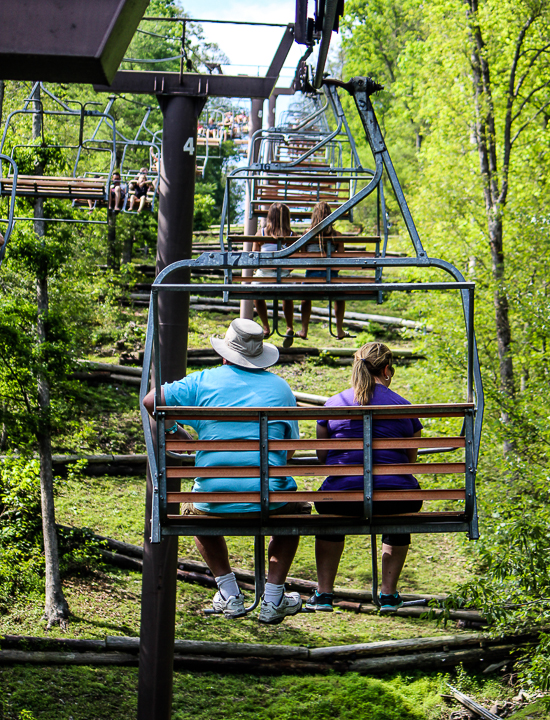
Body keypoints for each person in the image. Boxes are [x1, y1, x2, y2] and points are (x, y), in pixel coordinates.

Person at [142, 319, 309, 624]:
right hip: (269, 500)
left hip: (214, 500)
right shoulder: (281, 388)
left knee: (194, 510)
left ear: (225, 355)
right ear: (260, 357)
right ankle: (273, 598)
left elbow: (151, 400)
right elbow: (289, 448)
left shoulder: (203, 381)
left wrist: (175, 429)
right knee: (295, 507)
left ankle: (229, 593)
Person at [307, 342, 423, 612]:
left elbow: (322, 457)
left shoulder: (333, 405)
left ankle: (324, 594)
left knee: (330, 516)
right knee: (399, 511)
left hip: (342, 498)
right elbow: (411, 459)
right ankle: (389, 595)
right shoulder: (403, 406)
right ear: (386, 369)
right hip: (395, 500)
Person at [298, 202, 348, 340]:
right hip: (331, 278)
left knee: (305, 297)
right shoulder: (336, 235)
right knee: (340, 297)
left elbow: (303, 258)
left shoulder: (307, 234)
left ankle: (304, 329)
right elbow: (341, 261)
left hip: (311, 278)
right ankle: (339, 329)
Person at [252, 203, 295, 348]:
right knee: (287, 296)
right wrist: (287, 269)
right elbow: (296, 258)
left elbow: (254, 255)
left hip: (264, 273)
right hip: (282, 274)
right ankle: (289, 326)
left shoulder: (261, 233)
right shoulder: (291, 235)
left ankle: (266, 327)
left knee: (256, 295)